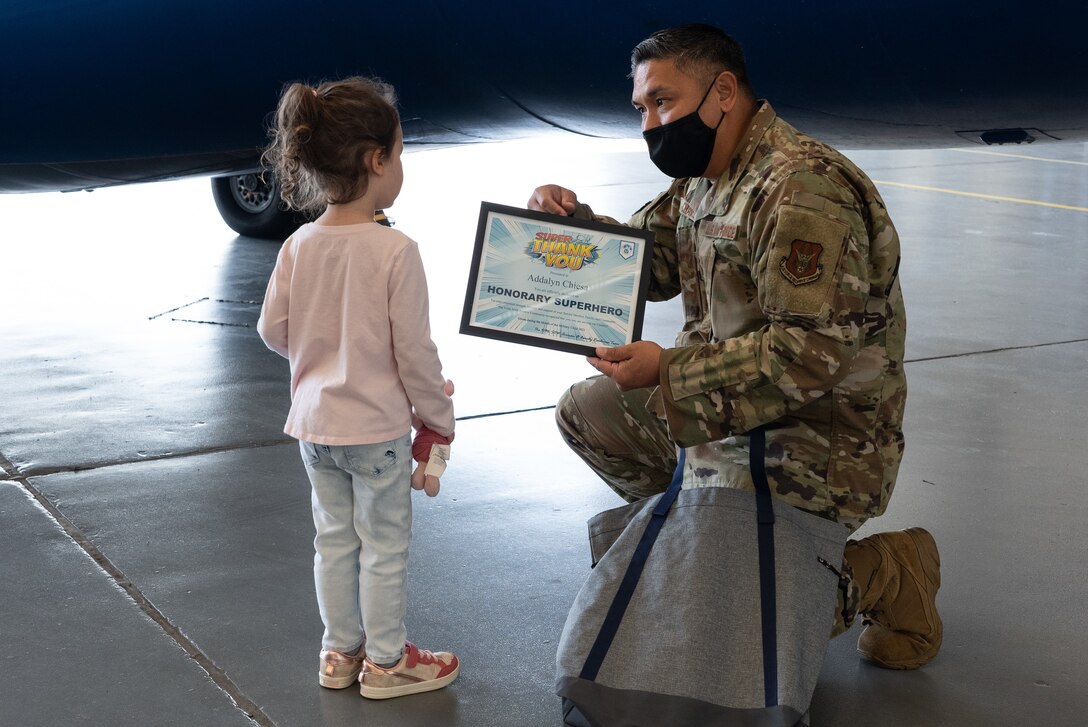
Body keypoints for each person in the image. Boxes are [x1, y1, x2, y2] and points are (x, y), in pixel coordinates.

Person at [529, 23, 941, 670]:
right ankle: (695, 554)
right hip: (727, 410)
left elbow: (807, 355)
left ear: (723, 92)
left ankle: (887, 569)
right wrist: (568, 228)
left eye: (663, 101)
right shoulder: (706, 176)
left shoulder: (803, 188)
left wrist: (667, 369)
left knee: (729, 630)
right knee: (591, 409)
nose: (649, 124)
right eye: (641, 108)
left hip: (819, 437)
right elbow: (645, 261)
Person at [257, 76, 460, 698]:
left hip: (314, 427)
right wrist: (439, 414)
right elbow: (414, 352)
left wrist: (322, 356)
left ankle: (338, 654)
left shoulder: (298, 244)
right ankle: (388, 662)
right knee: (384, 547)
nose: (400, 166)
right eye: (399, 154)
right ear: (376, 161)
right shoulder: (395, 250)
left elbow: (272, 331)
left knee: (334, 542)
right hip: (376, 432)